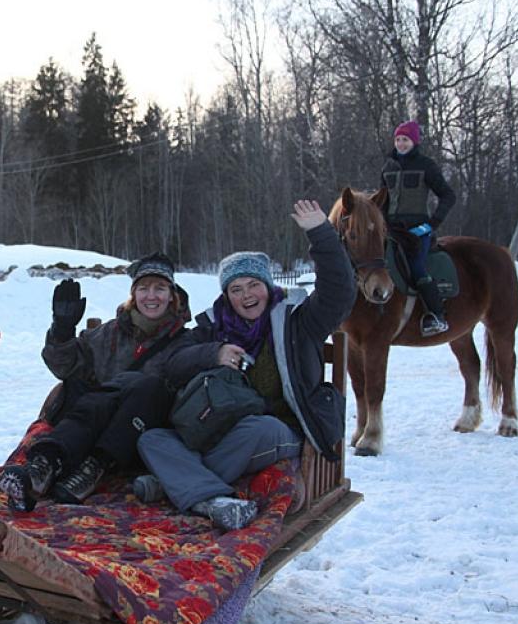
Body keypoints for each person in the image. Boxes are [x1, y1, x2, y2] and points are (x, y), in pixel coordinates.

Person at [135, 200, 355, 532]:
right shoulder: (212, 327)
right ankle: (212, 499)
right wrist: (214, 353)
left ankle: (172, 484)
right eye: (236, 289)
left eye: (253, 285)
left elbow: (340, 291)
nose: (246, 295)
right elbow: (172, 364)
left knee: (258, 428)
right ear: (227, 296)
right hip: (215, 431)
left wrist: (321, 234)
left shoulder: (299, 322)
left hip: (278, 429)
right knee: (152, 439)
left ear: (267, 287)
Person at [0, 253, 188, 512]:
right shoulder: (108, 334)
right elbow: (64, 367)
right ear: (134, 294)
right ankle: (39, 471)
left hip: (136, 436)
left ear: (172, 295)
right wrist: (62, 330)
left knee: (144, 386)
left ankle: (94, 467)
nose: (151, 296)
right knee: (81, 390)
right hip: (89, 425)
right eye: (143, 288)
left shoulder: (185, 342)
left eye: (160, 288)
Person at [379, 120, 457, 337]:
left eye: (405, 140)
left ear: (414, 142)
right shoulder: (388, 167)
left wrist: (432, 224)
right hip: (391, 228)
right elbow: (382, 199)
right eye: (397, 140)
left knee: (416, 268)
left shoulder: (426, 165)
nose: (401, 144)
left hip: (417, 229)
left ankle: (437, 316)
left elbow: (448, 196)